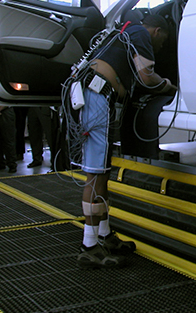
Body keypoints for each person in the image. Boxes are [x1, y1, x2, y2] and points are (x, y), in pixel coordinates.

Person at [73, 14, 176, 268]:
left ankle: (105, 235)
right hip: (97, 97)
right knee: (96, 174)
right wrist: (169, 87)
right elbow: (146, 75)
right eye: (163, 39)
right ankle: (89, 245)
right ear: (157, 30)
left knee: (103, 173)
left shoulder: (122, 36)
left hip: (96, 96)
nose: (161, 45)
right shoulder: (140, 33)